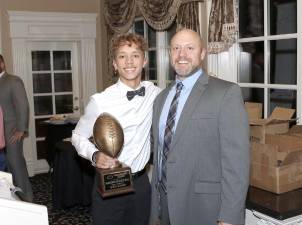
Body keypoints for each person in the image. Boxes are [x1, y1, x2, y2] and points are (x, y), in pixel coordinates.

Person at [149, 29, 250, 225]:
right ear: (170, 54)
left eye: (190, 48)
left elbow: (237, 163)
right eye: (176, 48)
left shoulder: (226, 93)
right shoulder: (161, 99)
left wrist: (229, 217)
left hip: (205, 209)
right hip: (165, 207)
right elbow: (161, 155)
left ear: (202, 54)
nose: (182, 54)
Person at [71, 33, 161, 225]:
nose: (129, 61)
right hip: (110, 185)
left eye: (135, 55)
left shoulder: (155, 93)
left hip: (141, 185)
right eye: (122, 56)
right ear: (114, 63)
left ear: (144, 60)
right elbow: (77, 136)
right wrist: (95, 156)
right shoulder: (100, 100)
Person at [0, 54, 33, 202]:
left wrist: (21, 129)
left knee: (16, 166)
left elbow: (23, 106)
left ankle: (27, 201)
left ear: (2, 63)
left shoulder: (13, 81)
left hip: (11, 132)